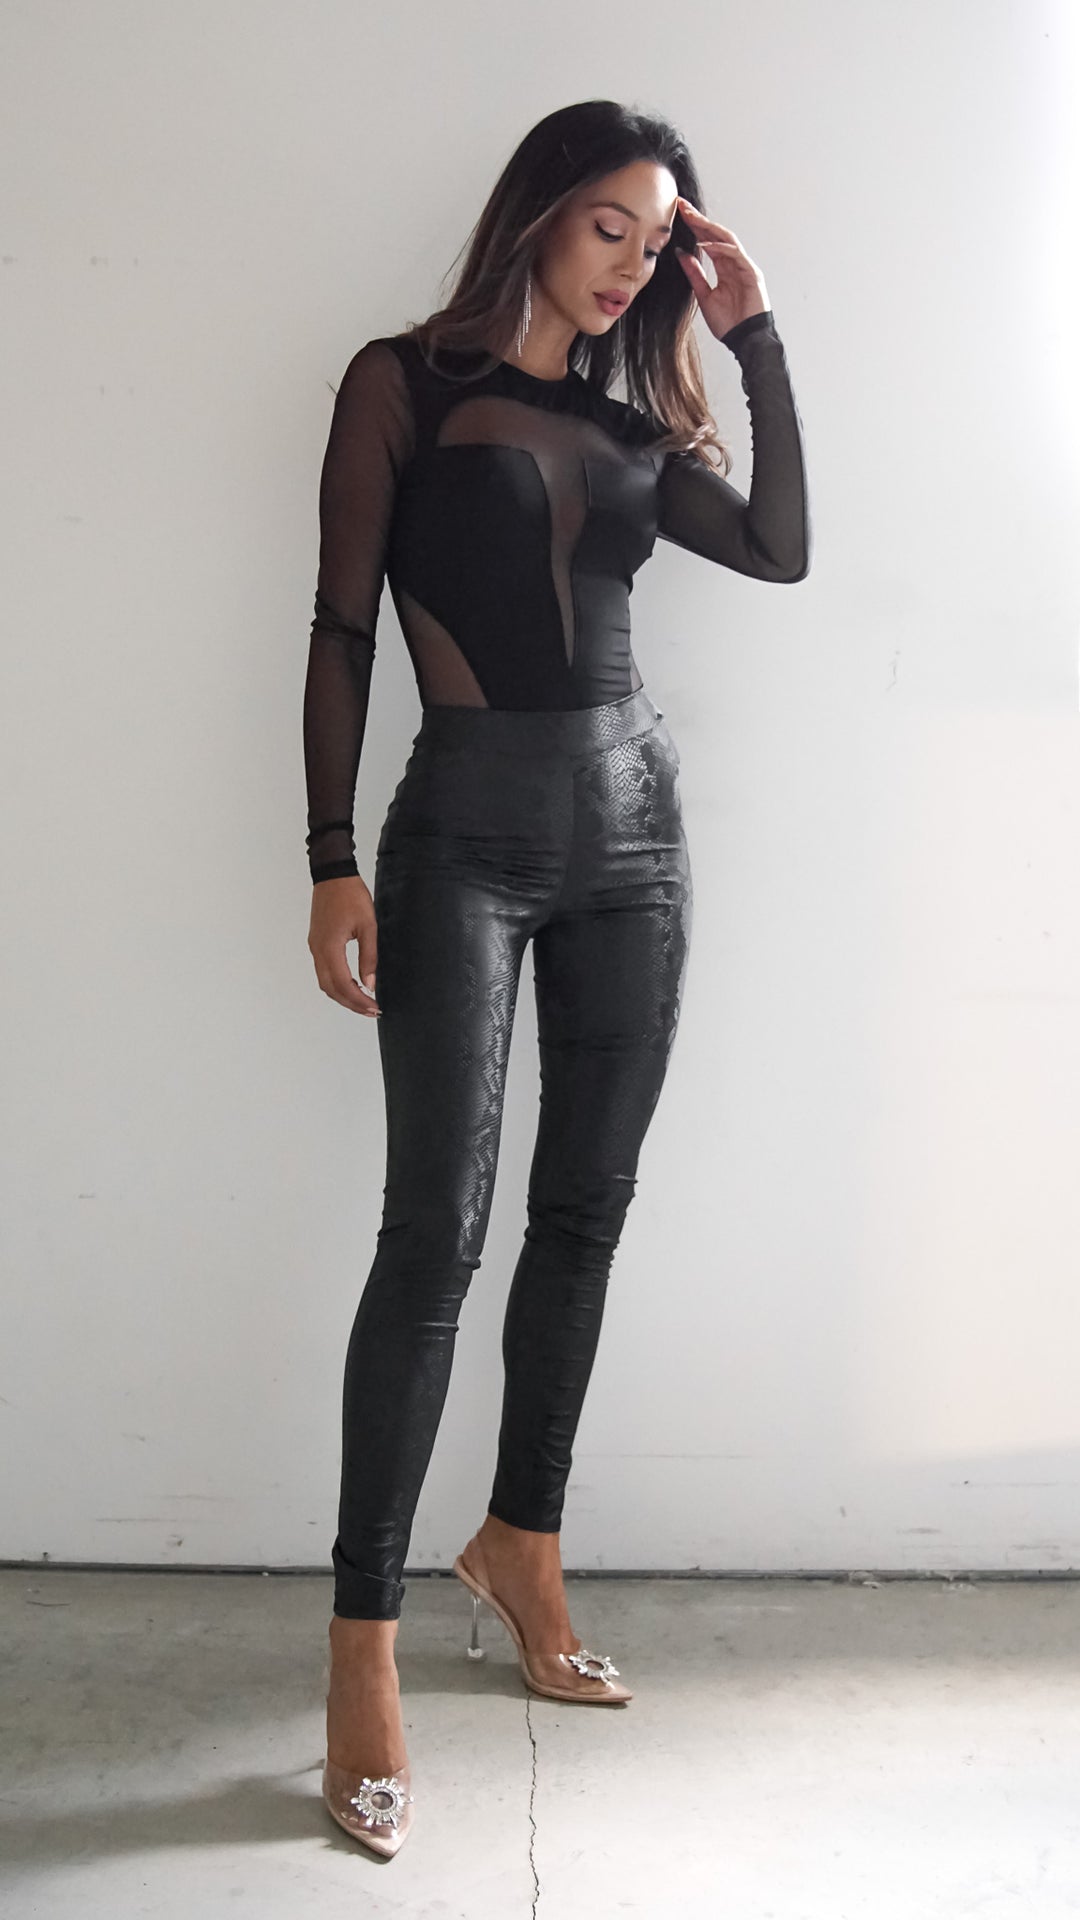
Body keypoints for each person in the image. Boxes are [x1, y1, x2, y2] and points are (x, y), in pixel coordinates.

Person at [304, 98, 811, 1854]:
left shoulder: (629, 422)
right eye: (611, 226)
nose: (632, 265)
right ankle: (361, 1647)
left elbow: (782, 548)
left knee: (583, 1213)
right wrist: (329, 857)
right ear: (535, 212)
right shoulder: (402, 385)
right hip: (464, 838)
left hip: (637, 839)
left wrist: (750, 336)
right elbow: (342, 626)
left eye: (657, 242)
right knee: (432, 1236)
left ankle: (524, 1544)